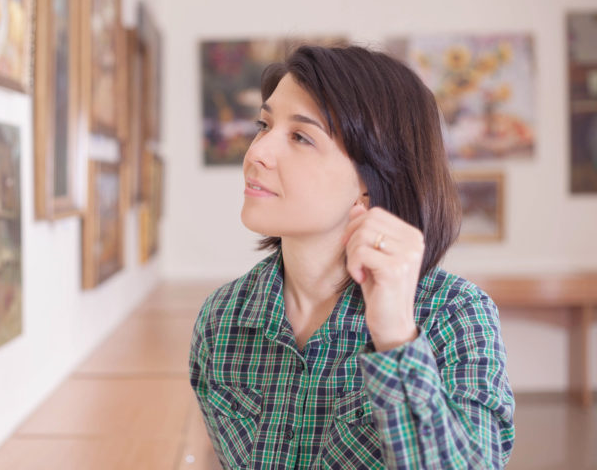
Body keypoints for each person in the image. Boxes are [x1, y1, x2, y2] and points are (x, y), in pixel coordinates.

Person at [189, 45, 515, 469]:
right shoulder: (222, 322)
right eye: (263, 125)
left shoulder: (455, 316)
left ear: (369, 180)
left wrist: (396, 339)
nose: (256, 154)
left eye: (301, 137)